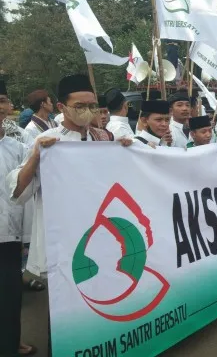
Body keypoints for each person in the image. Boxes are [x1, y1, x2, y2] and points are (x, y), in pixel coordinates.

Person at [7, 74, 132, 281]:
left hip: (99, 231)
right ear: (61, 107)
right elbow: (19, 192)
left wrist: (133, 150)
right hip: (63, 234)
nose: (88, 111)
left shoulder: (105, 138)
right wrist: (36, 157)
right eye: (80, 105)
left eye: (92, 106)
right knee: (64, 300)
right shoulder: (48, 142)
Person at [0, 81, 37, 357]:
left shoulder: (17, 146)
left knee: (10, 296)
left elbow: (31, 180)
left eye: (2, 100)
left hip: (7, 235)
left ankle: (11, 342)